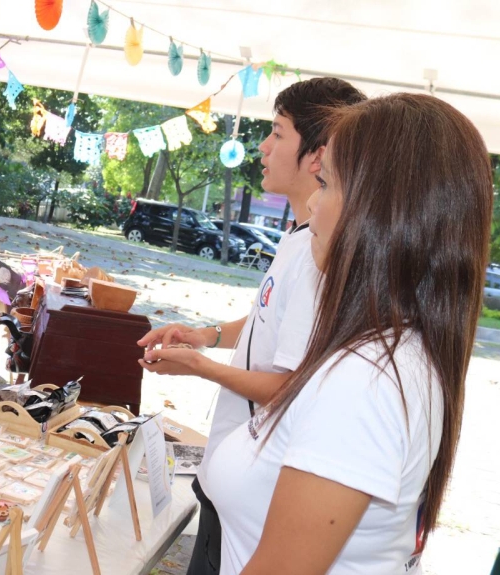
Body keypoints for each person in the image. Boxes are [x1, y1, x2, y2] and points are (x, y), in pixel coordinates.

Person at [202, 93, 492, 572]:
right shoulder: (391, 352)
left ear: (382, 213)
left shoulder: (365, 381)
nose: (314, 203)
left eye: (327, 183)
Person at [138, 78, 365, 574]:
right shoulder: (300, 236)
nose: (263, 146)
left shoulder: (317, 254)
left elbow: (288, 388)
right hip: (231, 473)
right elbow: (270, 320)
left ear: (316, 155)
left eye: (278, 133)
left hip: (254, 492)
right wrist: (207, 336)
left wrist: (200, 366)